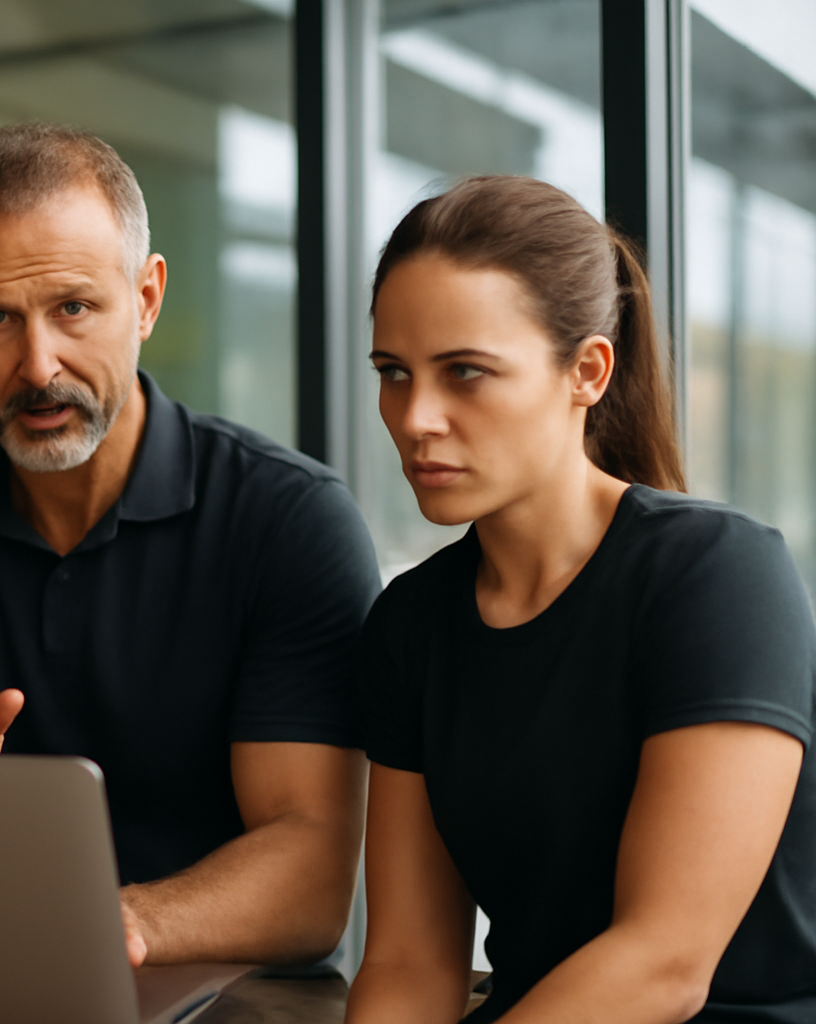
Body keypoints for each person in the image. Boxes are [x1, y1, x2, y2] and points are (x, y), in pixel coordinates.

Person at [0, 123, 382, 968]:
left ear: (147, 299)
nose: (37, 366)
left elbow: (312, 881)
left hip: (227, 1000)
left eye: (74, 309)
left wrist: (98, 926)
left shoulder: (289, 521)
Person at [345, 175, 816, 1024]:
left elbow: (664, 964)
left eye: (465, 373)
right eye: (394, 373)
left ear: (587, 372)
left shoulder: (716, 575)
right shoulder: (411, 626)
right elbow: (411, 963)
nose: (416, 419)